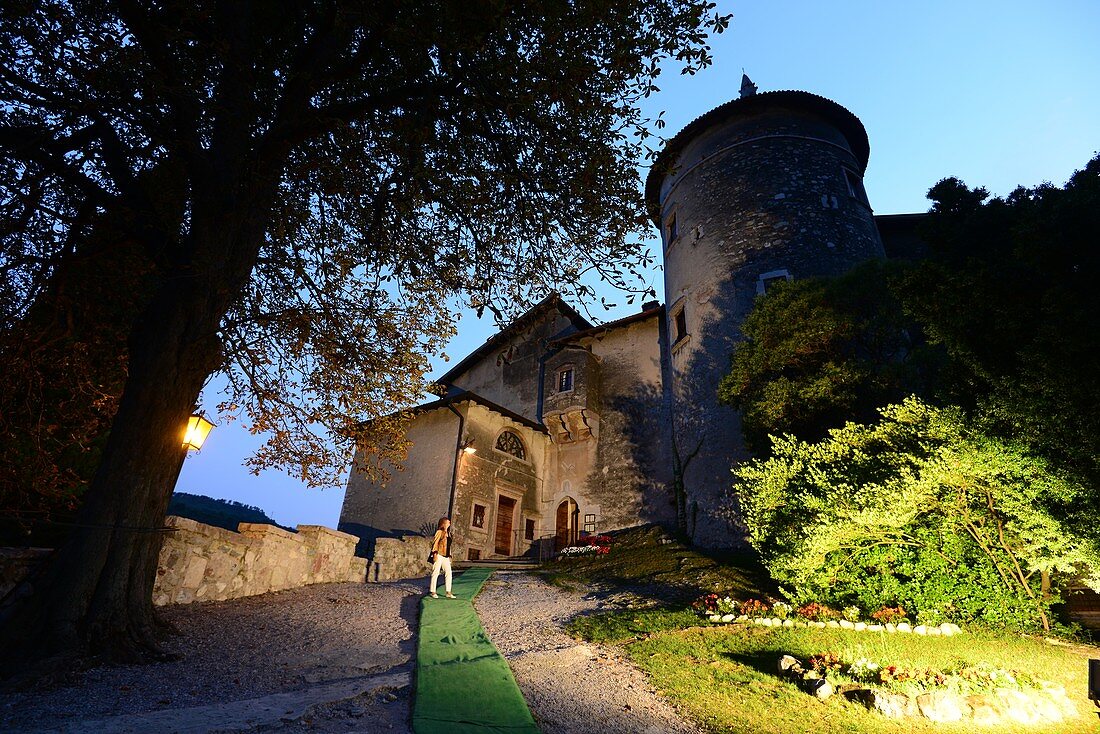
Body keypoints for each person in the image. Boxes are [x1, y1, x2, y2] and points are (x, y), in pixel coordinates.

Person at [429, 517, 456, 599]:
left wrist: (450, 555)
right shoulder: (439, 532)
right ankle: (433, 591)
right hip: (439, 554)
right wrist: (434, 554)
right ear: (443, 523)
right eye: (448, 522)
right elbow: (435, 543)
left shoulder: (449, 533)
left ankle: (448, 592)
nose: (449, 523)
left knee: (449, 573)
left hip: (446, 556)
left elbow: (448, 546)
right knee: (436, 572)